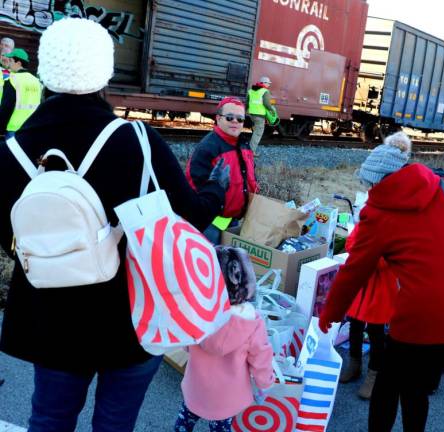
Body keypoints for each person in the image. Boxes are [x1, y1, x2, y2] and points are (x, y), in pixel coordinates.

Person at [0, 18, 229, 432]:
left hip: (49, 319)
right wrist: (215, 189)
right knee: (115, 423)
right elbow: (192, 215)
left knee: (49, 419)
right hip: (130, 317)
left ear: (45, 70)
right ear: (104, 72)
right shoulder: (136, 140)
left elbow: (9, 236)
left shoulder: (13, 149)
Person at [319, 131, 444, 431]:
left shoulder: (378, 213)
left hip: (421, 316)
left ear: (378, 182)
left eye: (367, 184)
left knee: (388, 386)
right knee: (417, 386)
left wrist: (330, 314)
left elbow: (354, 271)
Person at [175, 246, 274, 432]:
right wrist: (265, 383)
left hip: (197, 386)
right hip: (228, 395)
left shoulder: (198, 312)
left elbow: (187, 345)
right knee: (220, 427)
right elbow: (261, 358)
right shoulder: (252, 322)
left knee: (186, 418)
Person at [186, 97, 258, 244]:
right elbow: (193, 187)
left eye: (240, 119)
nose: (235, 122)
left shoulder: (244, 145)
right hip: (211, 224)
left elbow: (249, 178)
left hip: (233, 221)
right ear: (218, 119)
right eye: (230, 117)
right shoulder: (208, 148)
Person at [339, 222, 397, 400]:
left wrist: (366, 255)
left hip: (381, 286)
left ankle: (374, 374)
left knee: (375, 330)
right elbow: (350, 242)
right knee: (354, 324)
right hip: (361, 281)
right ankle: (354, 364)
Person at [0, 48, 42, 137]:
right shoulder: (36, 81)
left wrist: (1, 129)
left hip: (13, 128)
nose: (9, 63)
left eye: (11, 61)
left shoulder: (13, 79)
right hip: (29, 127)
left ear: (18, 63)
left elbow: (6, 107)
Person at [246, 76, 276, 156]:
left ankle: (249, 149)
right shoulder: (265, 91)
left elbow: (247, 103)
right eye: (268, 83)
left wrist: (244, 111)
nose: (269, 85)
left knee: (255, 132)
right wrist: (272, 110)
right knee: (258, 134)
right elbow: (266, 104)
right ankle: (251, 152)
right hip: (259, 116)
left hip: (252, 114)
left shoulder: (251, 91)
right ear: (264, 83)